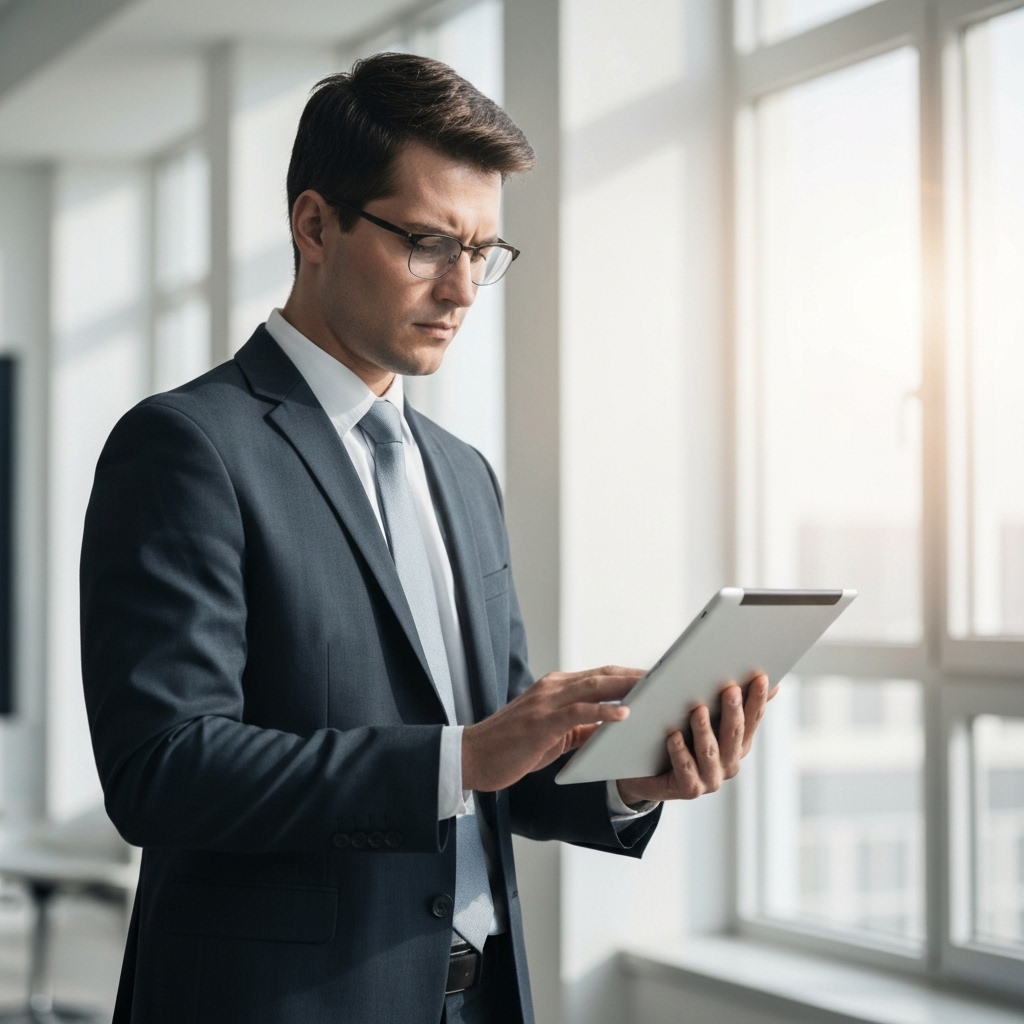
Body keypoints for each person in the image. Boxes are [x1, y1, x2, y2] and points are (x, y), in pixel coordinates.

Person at [80, 53, 772, 1024]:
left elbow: (500, 761)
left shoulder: (461, 473)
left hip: (478, 1002)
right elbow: (162, 770)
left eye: (482, 251)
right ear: (314, 225)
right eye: (426, 243)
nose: (462, 289)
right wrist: (457, 759)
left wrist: (627, 772)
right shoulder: (188, 447)